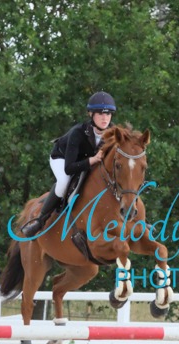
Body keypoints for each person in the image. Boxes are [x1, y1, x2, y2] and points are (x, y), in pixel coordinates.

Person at [20, 91, 116, 237]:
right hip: (63, 159)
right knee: (64, 182)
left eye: (108, 114)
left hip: (88, 161)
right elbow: (69, 168)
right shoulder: (78, 133)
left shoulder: (114, 133)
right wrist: (92, 160)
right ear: (91, 114)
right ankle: (40, 220)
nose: (105, 118)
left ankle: (134, 218)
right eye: (100, 113)